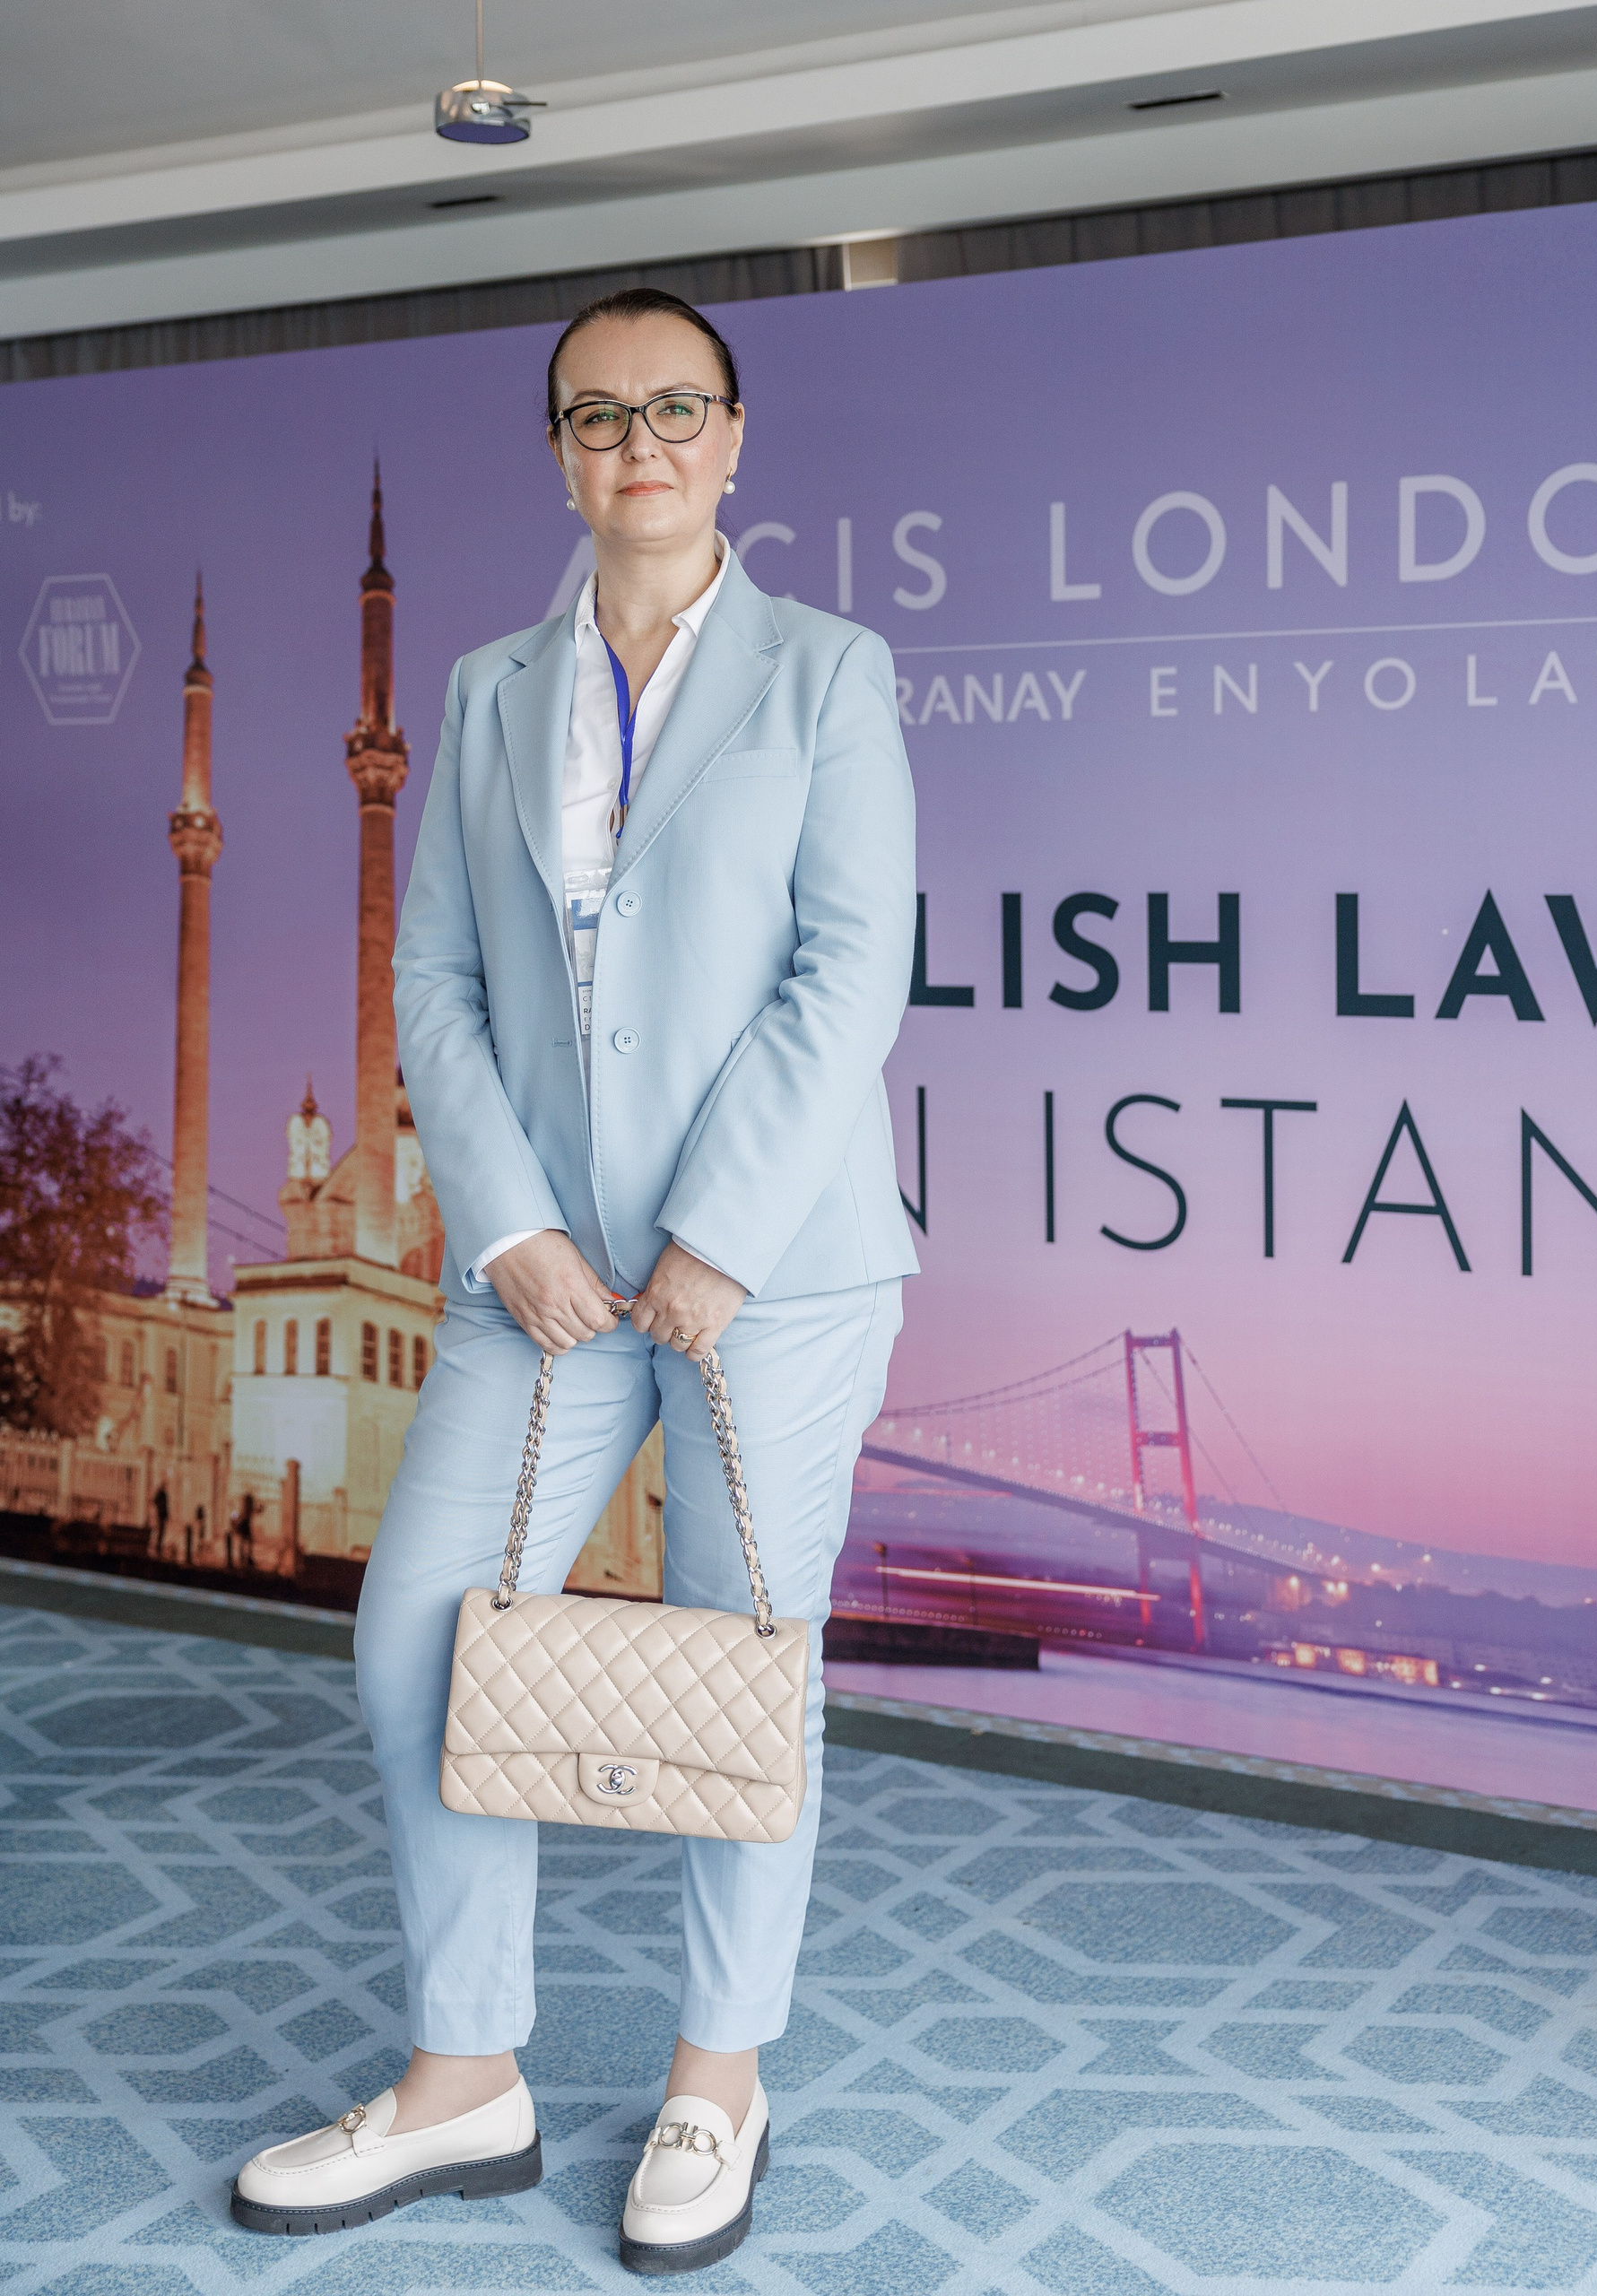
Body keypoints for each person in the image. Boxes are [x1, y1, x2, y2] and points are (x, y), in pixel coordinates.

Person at [233, 289, 917, 2270]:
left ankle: (719, 2076)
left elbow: (849, 971)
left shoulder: (826, 673)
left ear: (734, 437)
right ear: (558, 453)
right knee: (416, 1637)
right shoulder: (482, 693)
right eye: (599, 415)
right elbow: (435, 979)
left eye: (676, 407)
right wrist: (512, 1222)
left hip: (768, 1275)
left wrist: (718, 1235)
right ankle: (469, 2075)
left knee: (738, 1657)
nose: (641, 444)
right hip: (539, 1278)